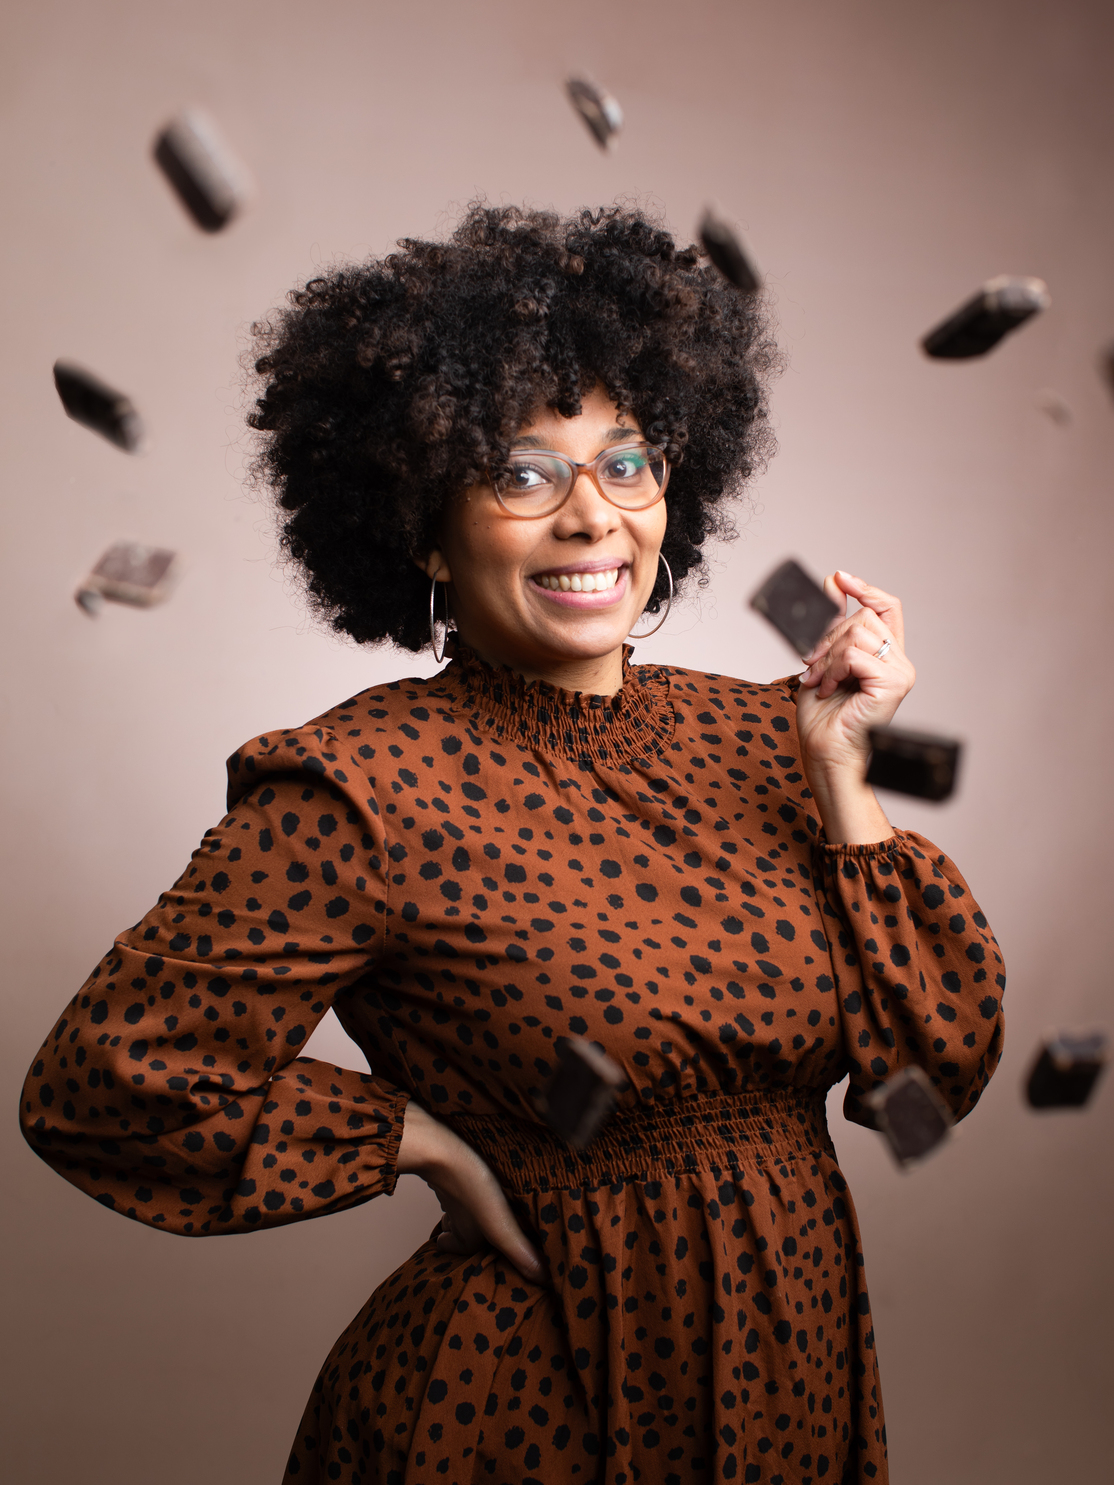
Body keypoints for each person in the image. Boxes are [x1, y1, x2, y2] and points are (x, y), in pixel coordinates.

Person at [20, 204, 1005, 1485]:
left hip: (788, 1379)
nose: (593, 517)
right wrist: (412, 1138)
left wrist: (838, 768)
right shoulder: (364, 785)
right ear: (423, 528)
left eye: (628, 462)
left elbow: (925, 1085)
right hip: (525, 1409)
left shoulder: (764, 735)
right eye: (522, 472)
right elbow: (103, 1084)